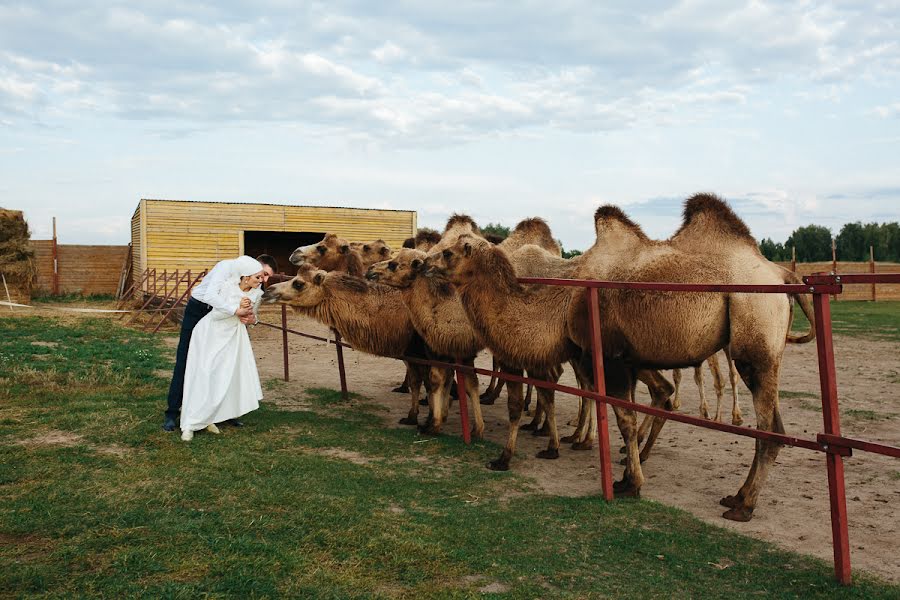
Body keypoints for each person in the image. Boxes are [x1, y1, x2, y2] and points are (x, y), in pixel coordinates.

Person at [162, 254, 276, 431]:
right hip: (201, 309)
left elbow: (253, 313)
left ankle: (225, 412)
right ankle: (172, 412)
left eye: (267, 276)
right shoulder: (226, 267)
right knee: (186, 359)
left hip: (227, 321)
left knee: (226, 363)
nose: (264, 280)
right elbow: (210, 295)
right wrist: (235, 310)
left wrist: (252, 319)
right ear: (252, 268)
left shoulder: (254, 289)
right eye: (263, 274)